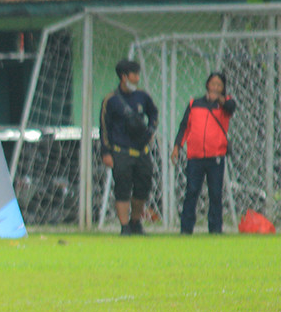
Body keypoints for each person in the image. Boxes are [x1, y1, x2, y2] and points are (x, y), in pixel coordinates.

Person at [171, 72, 236, 234]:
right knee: (192, 191)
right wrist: (177, 146)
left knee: (215, 193)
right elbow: (185, 126)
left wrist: (220, 99)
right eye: (213, 84)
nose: (215, 87)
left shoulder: (225, 104)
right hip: (195, 156)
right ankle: (186, 228)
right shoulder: (194, 104)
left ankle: (215, 229)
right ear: (207, 85)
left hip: (216, 156)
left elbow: (231, 107)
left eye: (219, 85)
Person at [100, 59, 159, 236]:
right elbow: (104, 127)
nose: (137, 78)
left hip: (142, 151)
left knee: (143, 188)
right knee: (122, 188)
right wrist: (106, 152)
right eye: (134, 75)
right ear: (124, 77)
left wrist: (151, 130)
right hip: (121, 151)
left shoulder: (143, 96)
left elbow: (154, 113)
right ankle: (124, 226)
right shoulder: (111, 100)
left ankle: (135, 222)